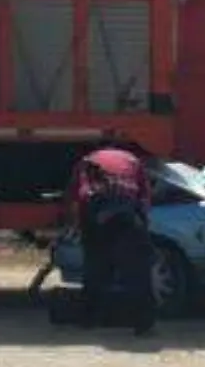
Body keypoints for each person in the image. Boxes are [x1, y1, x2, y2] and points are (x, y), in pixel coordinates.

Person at [64, 144, 156, 336]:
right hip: (126, 210)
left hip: (95, 208)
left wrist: (77, 227)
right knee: (137, 272)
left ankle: (88, 318)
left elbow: (75, 200)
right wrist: (143, 228)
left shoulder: (87, 160)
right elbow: (145, 198)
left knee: (94, 268)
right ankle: (143, 323)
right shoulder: (133, 160)